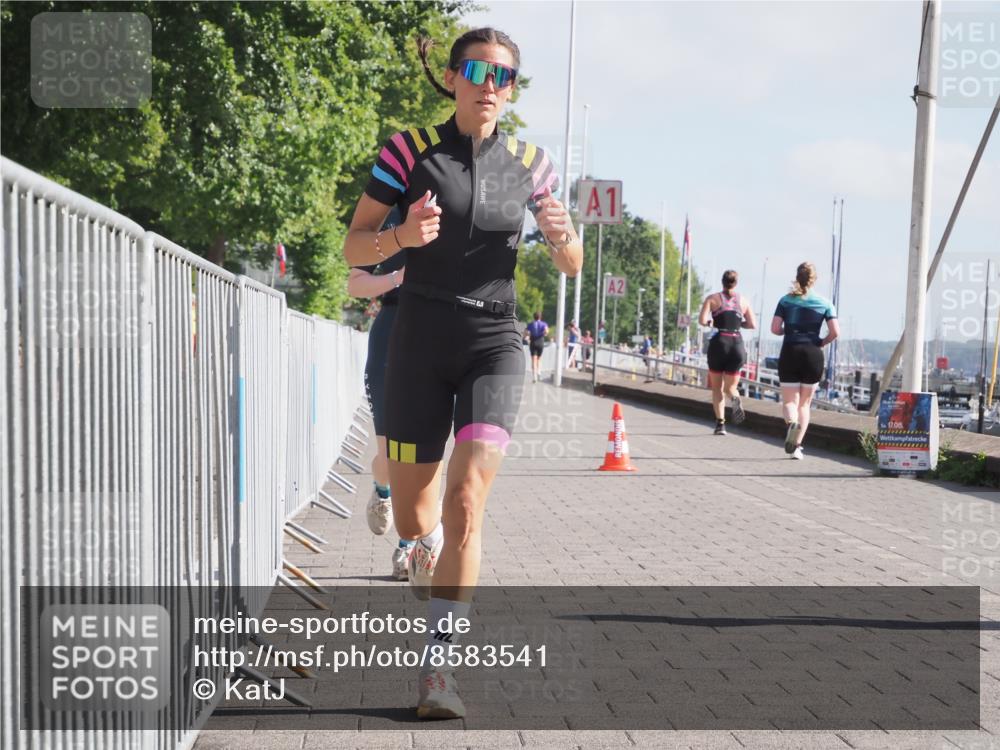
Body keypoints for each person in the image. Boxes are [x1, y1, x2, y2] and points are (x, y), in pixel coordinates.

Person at [343, 28, 583, 719]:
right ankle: (417, 548)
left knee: (467, 501)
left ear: (512, 90)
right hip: (418, 338)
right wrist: (399, 238)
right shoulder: (408, 150)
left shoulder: (532, 164)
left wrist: (566, 236)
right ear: (452, 78)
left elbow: (570, 265)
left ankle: (437, 671)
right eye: (476, 71)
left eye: (504, 76)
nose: (489, 84)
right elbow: (353, 243)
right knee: (419, 514)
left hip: (494, 342)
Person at [347, 209, 416, 581]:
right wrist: (397, 278)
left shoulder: (461, 203)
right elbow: (355, 284)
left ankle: (409, 547)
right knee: (390, 455)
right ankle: (381, 489)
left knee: (423, 454)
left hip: (437, 336)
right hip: (391, 333)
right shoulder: (389, 214)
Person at [771, 262, 839, 459]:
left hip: (790, 350)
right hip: (813, 352)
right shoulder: (825, 303)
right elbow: (835, 332)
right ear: (814, 279)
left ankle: (791, 423)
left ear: (797, 277)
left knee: (790, 401)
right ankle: (797, 447)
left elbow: (775, 329)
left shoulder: (785, 301)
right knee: (805, 404)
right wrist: (821, 342)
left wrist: (788, 331)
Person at [698, 270, 757, 435]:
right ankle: (735, 398)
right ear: (736, 283)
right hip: (737, 343)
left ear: (722, 282)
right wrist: (739, 324)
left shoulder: (712, 299)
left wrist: (713, 321)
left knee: (717, 388)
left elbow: (702, 321)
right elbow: (752, 324)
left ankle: (720, 424)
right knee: (730, 388)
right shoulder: (743, 300)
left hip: (720, 343)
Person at [525, 312, 549, 383]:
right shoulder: (544, 324)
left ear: (534, 317)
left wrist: (526, 336)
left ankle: (534, 376)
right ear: (540, 317)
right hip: (540, 342)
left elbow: (526, 332)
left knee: (533, 359)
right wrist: (543, 333)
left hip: (533, 342)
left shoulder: (530, 324)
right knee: (539, 358)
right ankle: (539, 372)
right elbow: (546, 331)